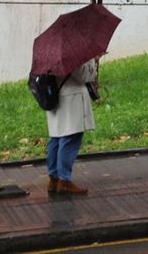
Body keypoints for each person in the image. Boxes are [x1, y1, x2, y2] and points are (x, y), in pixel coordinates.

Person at [46, 57, 98, 195]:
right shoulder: (72, 52)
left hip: (55, 95)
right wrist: (93, 61)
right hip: (71, 99)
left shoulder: (50, 49)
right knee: (70, 138)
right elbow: (83, 75)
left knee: (56, 139)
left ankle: (54, 179)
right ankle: (64, 180)